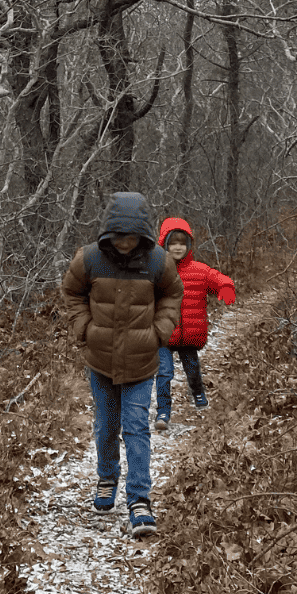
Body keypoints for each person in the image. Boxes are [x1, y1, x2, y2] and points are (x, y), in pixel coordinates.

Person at [61, 192, 183, 538]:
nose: (125, 243)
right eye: (119, 236)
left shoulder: (158, 261)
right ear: (109, 232)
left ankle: (140, 501)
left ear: (142, 233)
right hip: (100, 360)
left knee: (136, 428)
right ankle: (107, 477)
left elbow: (173, 293)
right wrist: (83, 327)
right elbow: (71, 292)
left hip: (143, 362)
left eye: (132, 236)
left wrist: (160, 331)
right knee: (105, 425)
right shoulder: (89, 259)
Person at [154, 217, 235, 430]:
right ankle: (163, 411)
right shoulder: (157, 271)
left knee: (191, 367)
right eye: (173, 243)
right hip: (164, 332)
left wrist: (225, 287)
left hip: (189, 333)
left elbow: (219, 279)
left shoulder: (199, 270)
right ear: (164, 244)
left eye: (182, 243)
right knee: (164, 372)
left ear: (189, 245)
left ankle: (198, 392)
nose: (178, 247)